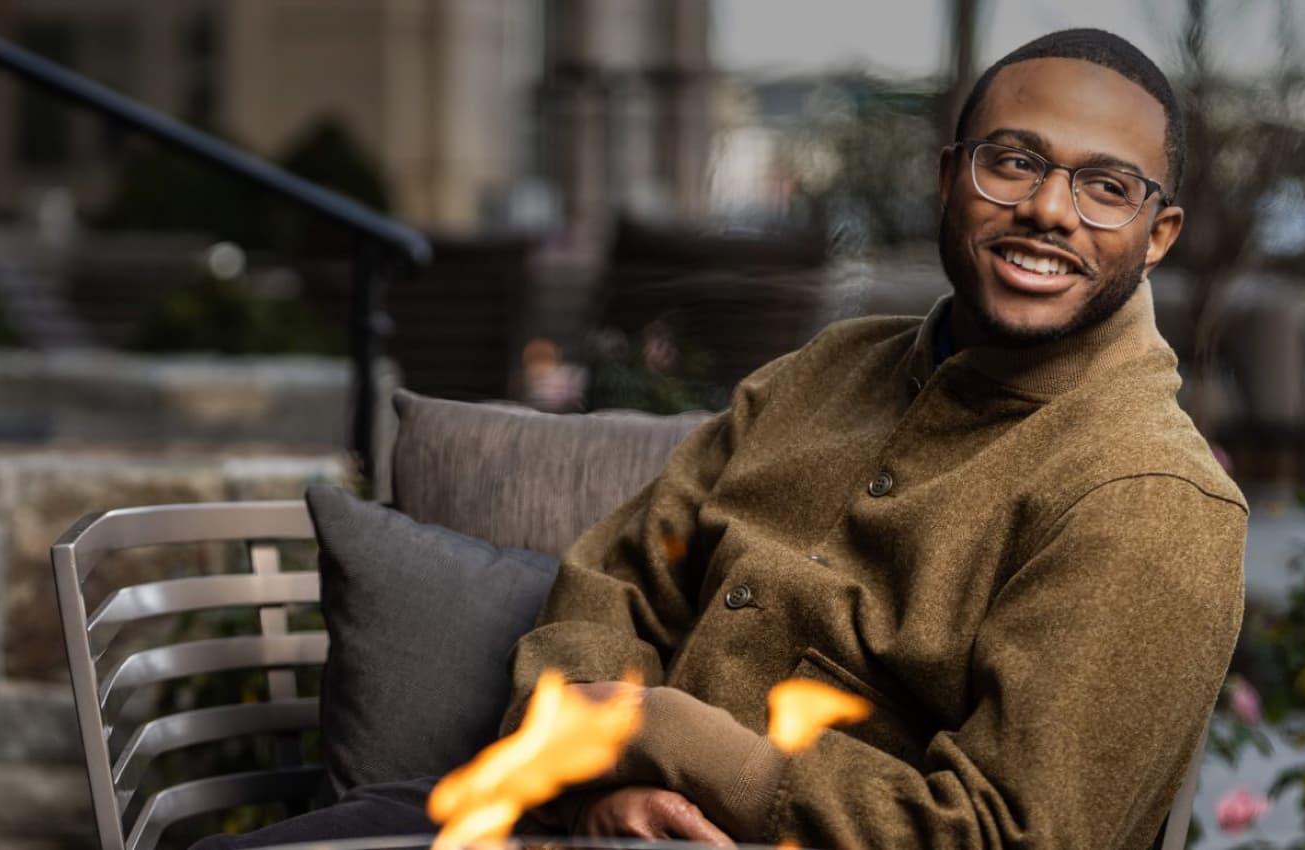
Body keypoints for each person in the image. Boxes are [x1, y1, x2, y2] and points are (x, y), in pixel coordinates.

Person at [194, 27, 1246, 850]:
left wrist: (663, 735)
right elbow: (614, 579)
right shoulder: (831, 369)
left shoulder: (1146, 497)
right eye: (1013, 162)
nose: (1051, 209)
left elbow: (1008, 837)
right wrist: (601, 781)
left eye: (1107, 187)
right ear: (947, 178)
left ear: (1157, 235)